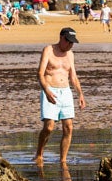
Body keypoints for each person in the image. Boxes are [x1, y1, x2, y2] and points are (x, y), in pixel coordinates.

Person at [34, 27, 86, 165]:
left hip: (66, 92)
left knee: (68, 127)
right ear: (61, 38)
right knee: (49, 127)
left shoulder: (70, 54)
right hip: (50, 90)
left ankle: (63, 160)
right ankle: (39, 154)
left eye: (72, 43)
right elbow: (40, 74)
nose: (70, 45)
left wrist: (80, 94)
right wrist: (46, 90)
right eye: (68, 41)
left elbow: (73, 77)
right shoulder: (48, 50)